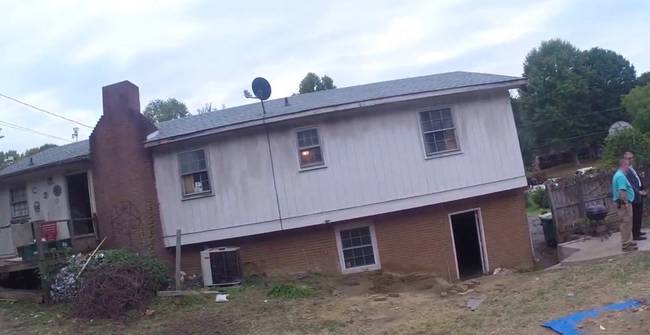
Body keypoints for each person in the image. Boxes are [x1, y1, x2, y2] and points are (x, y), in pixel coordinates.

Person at [612, 158, 637, 252]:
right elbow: (622, 191)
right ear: (623, 165)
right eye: (627, 165)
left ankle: (629, 241)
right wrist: (626, 203)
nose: (628, 167)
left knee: (628, 223)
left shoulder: (618, 175)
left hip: (621, 203)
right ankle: (626, 244)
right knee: (625, 224)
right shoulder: (620, 176)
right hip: (623, 204)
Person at [624, 151, 647, 241]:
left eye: (632, 158)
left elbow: (637, 179)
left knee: (639, 214)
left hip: (640, 192)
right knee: (635, 215)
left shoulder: (632, 168)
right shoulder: (625, 169)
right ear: (625, 159)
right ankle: (636, 235)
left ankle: (638, 231)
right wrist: (638, 192)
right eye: (629, 158)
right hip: (634, 195)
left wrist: (642, 188)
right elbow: (629, 184)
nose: (631, 160)